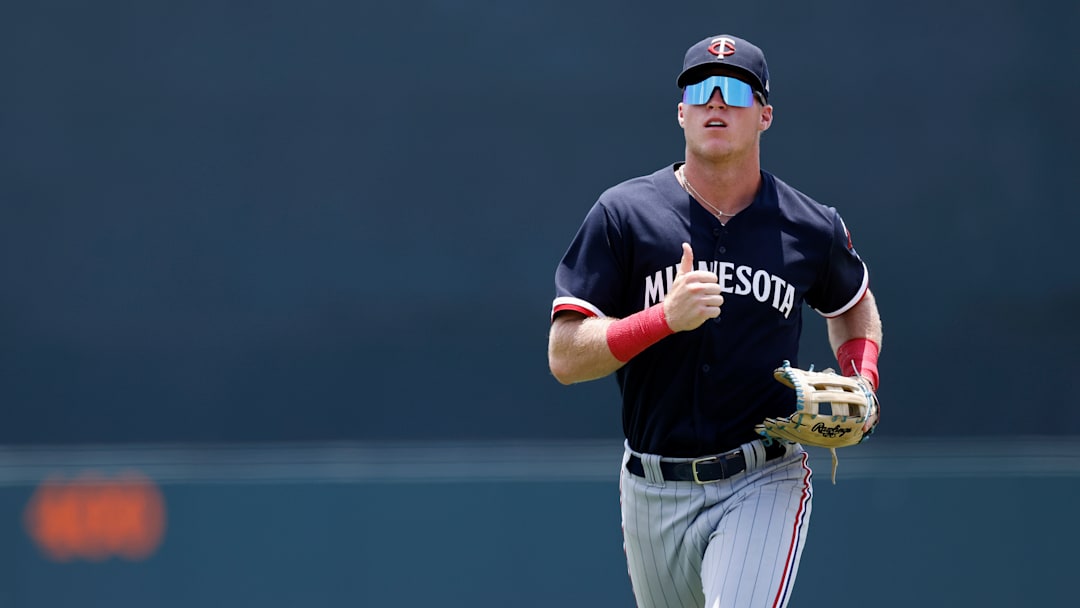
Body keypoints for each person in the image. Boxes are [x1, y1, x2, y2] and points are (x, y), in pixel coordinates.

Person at [547, 34, 883, 608]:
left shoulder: (810, 226)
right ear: (682, 112)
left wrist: (863, 378)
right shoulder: (624, 215)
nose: (717, 102)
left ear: (765, 115)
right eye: (701, 90)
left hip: (764, 474)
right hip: (652, 486)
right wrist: (662, 319)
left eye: (736, 90)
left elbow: (852, 304)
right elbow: (565, 355)